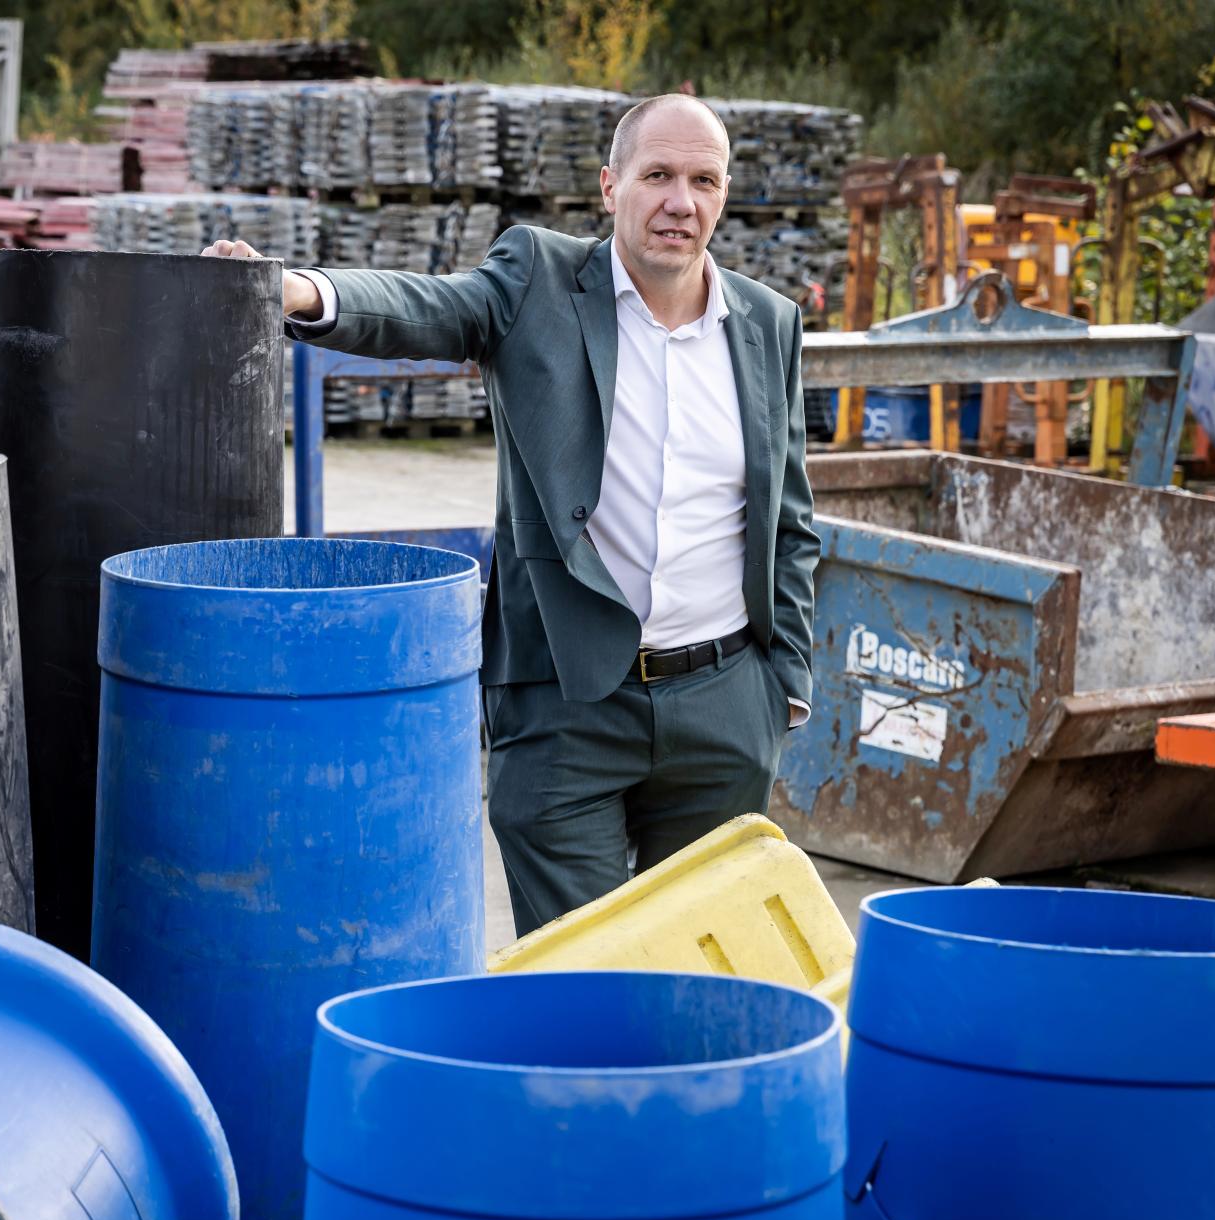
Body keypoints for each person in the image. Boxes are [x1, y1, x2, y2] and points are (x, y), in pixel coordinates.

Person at [204, 94, 818, 936]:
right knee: (582, 968)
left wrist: (785, 687)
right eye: (657, 176)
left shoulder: (768, 323)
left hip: (726, 709)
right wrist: (299, 290)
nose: (681, 202)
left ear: (724, 194)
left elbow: (790, 519)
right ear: (610, 186)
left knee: (697, 962)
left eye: (703, 181)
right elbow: (430, 307)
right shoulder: (538, 281)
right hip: (567, 706)